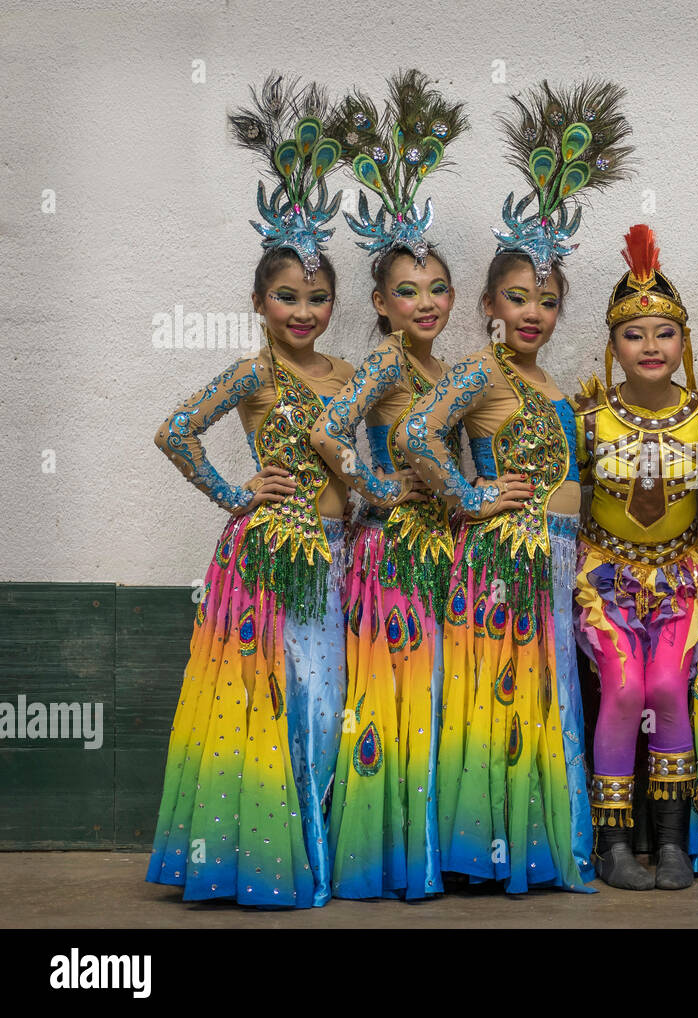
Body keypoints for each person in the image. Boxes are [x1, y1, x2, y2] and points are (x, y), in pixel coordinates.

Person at [396, 80, 633, 894]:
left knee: (549, 694)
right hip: (499, 558)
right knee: (498, 698)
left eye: (549, 301)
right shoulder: (480, 370)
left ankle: (532, 845)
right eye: (519, 298)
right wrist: (467, 498)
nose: (534, 312)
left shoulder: (564, 391)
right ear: (490, 304)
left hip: (559, 560)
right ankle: (483, 849)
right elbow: (412, 433)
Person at [147, 77, 353, 907]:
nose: (303, 310)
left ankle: (311, 849)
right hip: (269, 556)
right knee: (274, 702)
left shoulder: (350, 375)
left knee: (326, 701)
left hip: (339, 555)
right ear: (259, 301)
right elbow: (174, 431)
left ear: (335, 300)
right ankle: (259, 860)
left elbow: (368, 468)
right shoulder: (254, 373)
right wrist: (237, 494)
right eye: (287, 296)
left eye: (317, 296)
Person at [308, 70, 468, 900]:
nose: (427, 301)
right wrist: (374, 488)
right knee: (391, 697)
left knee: (431, 695)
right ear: (378, 300)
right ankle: (381, 857)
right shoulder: (383, 361)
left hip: (443, 550)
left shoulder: (447, 366)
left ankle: (421, 849)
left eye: (439, 288)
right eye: (408, 290)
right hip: (394, 549)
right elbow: (326, 429)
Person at [570, 224, 698, 890]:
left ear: (684, 342)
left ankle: (674, 841)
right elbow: (568, 499)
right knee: (625, 689)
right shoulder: (589, 420)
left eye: (664, 333)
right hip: (605, 580)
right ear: (612, 345)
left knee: (665, 687)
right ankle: (614, 843)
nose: (650, 346)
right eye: (634, 334)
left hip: (681, 580)